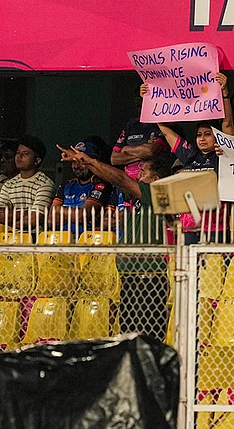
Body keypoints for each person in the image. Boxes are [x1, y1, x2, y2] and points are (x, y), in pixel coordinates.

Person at [58, 145, 175, 340]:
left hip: (148, 278)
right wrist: (85, 162)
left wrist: (91, 162)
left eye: (143, 173)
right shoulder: (141, 198)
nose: (138, 177)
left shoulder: (159, 196)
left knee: (146, 339)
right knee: (128, 337)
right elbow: (115, 179)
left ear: (156, 180)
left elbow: (121, 178)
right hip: (130, 276)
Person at [143, 72, 234, 244]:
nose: (202, 138)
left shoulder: (224, 155)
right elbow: (165, 130)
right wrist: (150, 99)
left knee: (214, 270)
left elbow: (227, 124)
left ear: (217, 137)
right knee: (190, 268)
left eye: (207, 134)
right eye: (199, 134)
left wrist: (225, 93)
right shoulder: (190, 155)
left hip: (216, 227)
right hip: (188, 226)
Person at [49, 140, 113, 233]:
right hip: (63, 242)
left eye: (80, 161)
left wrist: (58, 210)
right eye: (73, 161)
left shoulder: (101, 185)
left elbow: (81, 216)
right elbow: (51, 220)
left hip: (88, 243)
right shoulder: (66, 185)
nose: (76, 166)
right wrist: (75, 215)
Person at [0, 136, 56, 231]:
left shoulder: (45, 184)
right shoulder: (9, 184)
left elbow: (33, 220)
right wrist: (26, 212)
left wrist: (12, 215)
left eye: (25, 154)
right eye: (18, 153)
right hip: (12, 237)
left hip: (36, 239)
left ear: (37, 160)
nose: (19, 156)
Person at [111, 84, 169, 180]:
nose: (140, 106)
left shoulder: (162, 124)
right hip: (128, 183)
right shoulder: (132, 124)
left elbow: (149, 151)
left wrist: (126, 149)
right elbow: (114, 159)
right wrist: (143, 154)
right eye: (138, 103)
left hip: (151, 181)